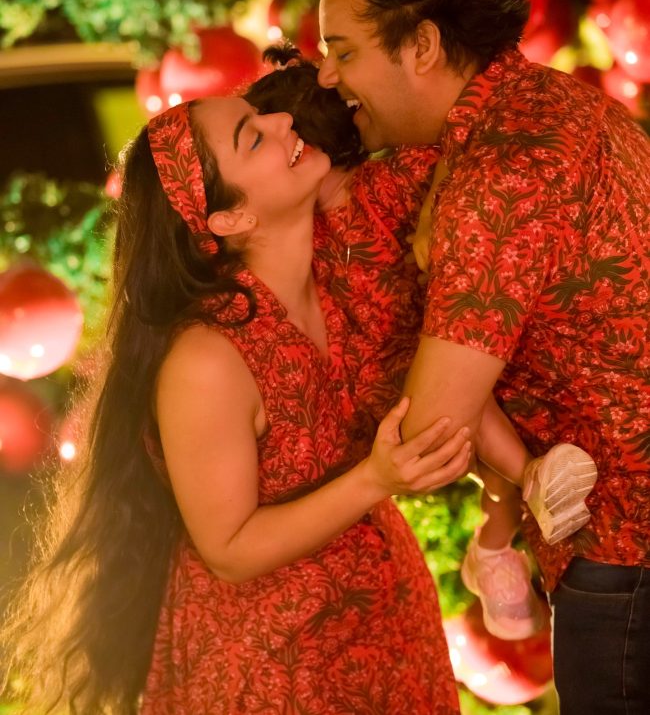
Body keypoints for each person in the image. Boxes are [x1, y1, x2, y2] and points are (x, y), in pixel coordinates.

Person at [1, 87, 469, 713]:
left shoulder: (345, 262)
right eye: (253, 137)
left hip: (391, 635)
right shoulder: (208, 358)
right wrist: (376, 480)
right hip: (275, 668)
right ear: (229, 219)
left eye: (261, 115)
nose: (283, 120)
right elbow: (228, 549)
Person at [306, 0, 650, 712]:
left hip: (626, 556)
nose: (327, 77)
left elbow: (431, 429)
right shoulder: (559, 103)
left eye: (344, 51)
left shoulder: (496, 174)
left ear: (422, 45)